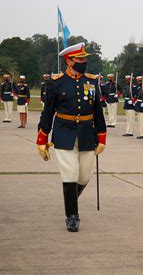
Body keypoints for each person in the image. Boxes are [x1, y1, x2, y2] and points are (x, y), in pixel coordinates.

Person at [36, 42, 106, 232]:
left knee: (84, 176)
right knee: (70, 172)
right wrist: (42, 140)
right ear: (69, 61)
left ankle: (70, 200)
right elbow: (48, 112)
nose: (84, 62)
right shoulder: (56, 82)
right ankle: (72, 215)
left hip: (87, 133)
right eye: (80, 59)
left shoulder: (92, 81)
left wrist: (102, 138)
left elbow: (98, 111)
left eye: (84, 59)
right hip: (64, 132)